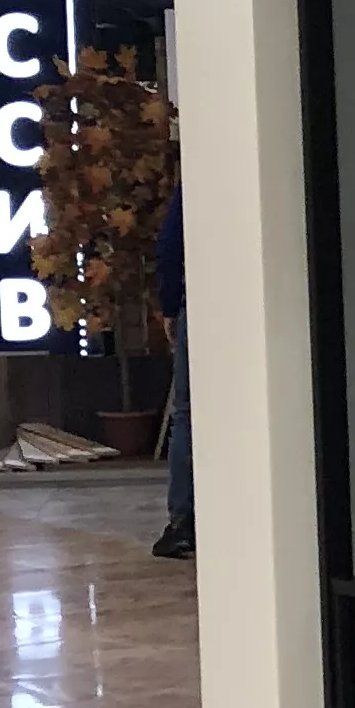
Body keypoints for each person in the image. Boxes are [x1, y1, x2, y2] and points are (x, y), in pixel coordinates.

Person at [151, 176, 191, 559]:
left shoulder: (196, 180)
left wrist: (169, 306)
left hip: (198, 301)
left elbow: (168, 248)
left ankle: (183, 521)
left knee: (186, 415)